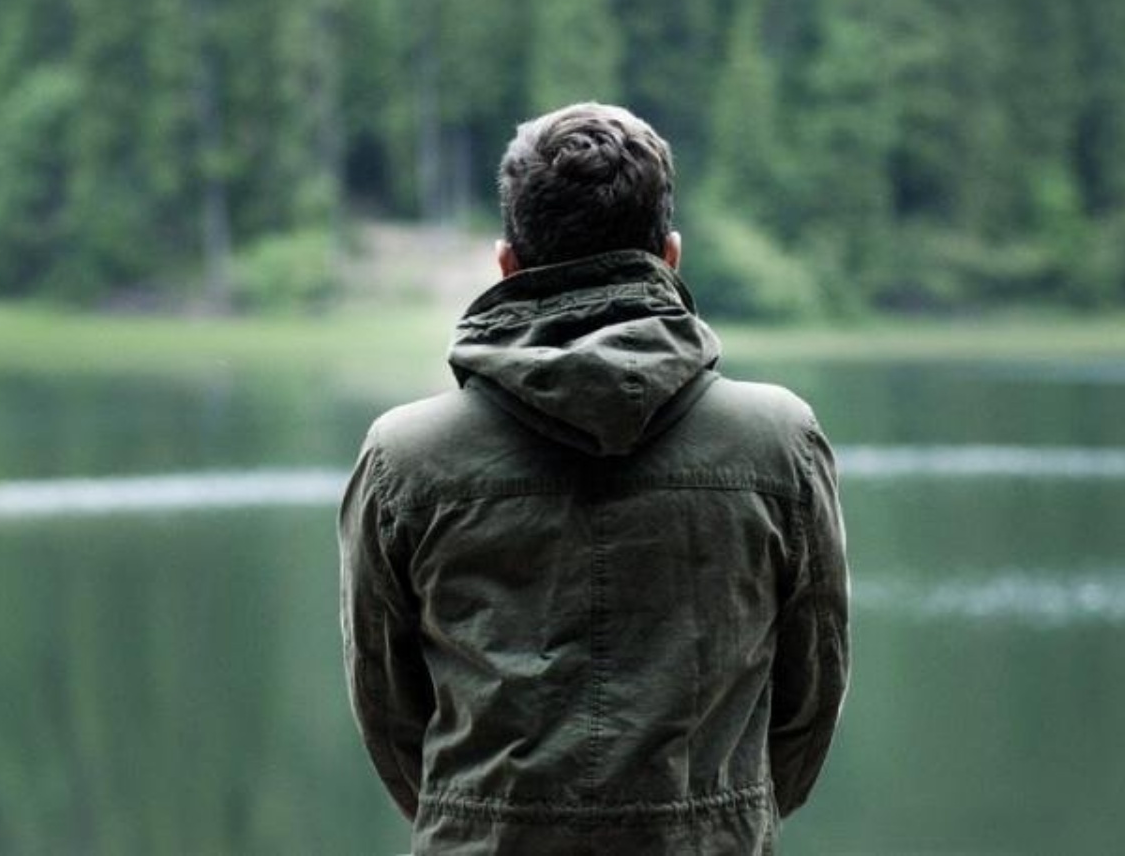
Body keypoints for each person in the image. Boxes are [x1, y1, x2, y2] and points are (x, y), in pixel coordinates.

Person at [340, 102, 850, 855]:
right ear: (670, 255)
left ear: (507, 263)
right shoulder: (778, 443)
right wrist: (717, 820)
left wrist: (486, 821)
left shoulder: (404, 458)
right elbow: (811, 697)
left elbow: (389, 712)